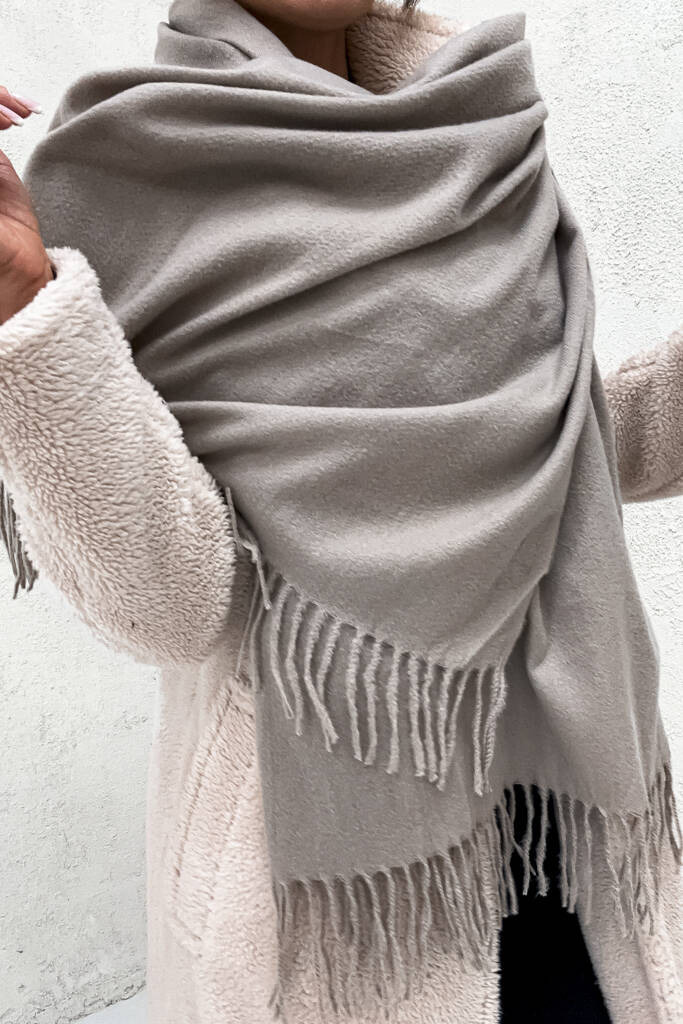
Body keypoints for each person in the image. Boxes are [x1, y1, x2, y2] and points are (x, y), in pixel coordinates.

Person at [1, 2, 682, 1023]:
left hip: (570, 824)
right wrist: (21, 300)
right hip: (340, 896)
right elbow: (170, 606)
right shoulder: (132, 167)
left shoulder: (478, 128)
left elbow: (562, 444)